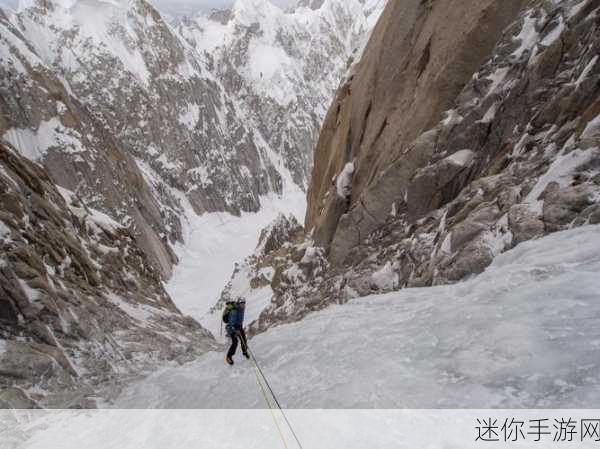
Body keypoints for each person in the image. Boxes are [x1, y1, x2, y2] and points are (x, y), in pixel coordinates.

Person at [225, 297, 249, 365]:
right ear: (239, 303)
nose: (244, 305)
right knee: (235, 342)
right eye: (242, 303)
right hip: (231, 328)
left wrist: (239, 328)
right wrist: (235, 330)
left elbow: (239, 320)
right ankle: (228, 356)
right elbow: (231, 322)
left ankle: (244, 352)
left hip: (238, 326)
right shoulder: (234, 311)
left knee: (243, 339)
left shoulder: (242, 309)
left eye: (244, 303)